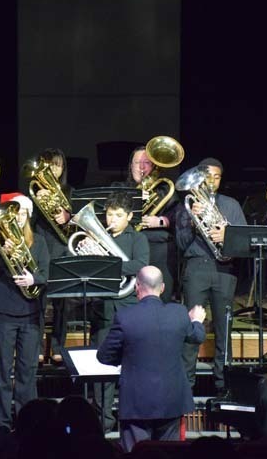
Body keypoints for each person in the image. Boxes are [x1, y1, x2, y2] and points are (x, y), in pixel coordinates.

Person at [97, 266, 206, 451]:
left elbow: (105, 356)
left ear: (137, 287)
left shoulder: (124, 317)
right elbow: (197, 336)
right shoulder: (179, 313)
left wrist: (127, 356)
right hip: (171, 401)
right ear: (162, 288)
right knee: (171, 458)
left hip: (136, 404)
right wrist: (196, 320)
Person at [175, 157, 246, 395]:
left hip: (224, 270)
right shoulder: (186, 206)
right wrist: (194, 224)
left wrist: (227, 237)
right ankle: (186, 384)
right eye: (208, 176)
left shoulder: (232, 204)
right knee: (191, 327)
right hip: (197, 268)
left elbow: (243, 242)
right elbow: (181, 244)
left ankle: (222, 384)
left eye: (217, 177)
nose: (212, 181)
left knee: (223, 329)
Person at [0, 193, 50, 430]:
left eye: (22, 213)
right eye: (15, 212)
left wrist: (34, 278)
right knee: (1, 371)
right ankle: (1, 422)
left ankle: (27, 422)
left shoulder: (39, 241)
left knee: (27, 371)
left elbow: (46, 275)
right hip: (4, 311)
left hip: (31, 313)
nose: (18, 218)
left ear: (29, 216)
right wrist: (4, 256)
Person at [89, 191, 150, 433]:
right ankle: (102, 421)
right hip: (103, 308)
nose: (112, 219)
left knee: (132, 368)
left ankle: (131, 420)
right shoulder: (96, 236)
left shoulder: (137, 239)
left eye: (118, 215)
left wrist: (112, 265)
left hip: (129, 308)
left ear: (130, 217)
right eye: (109, 214)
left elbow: (141, 265)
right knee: (101, 369)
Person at [30, 148, 73, 363]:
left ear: (63, 168)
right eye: (50, 164)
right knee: (39, 300)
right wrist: (38, 202)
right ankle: (37, 346)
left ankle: (58, 346)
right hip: (42, 248)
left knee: (62, 303)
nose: (53, 169)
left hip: (62, 248)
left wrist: (67, 215)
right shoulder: (35, 189)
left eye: (57, 164)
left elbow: (78, 222)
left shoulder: (70, 191)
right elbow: (29, 223)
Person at [123, 145, 178, 302]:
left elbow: (180, 216)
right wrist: (135, 199)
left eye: (146, 162)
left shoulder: (164, 189)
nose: (141, 167)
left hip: (158, 250)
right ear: (130, 166)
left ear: (153, 166)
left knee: (161, 299)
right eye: (136, 162)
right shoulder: (121, 189)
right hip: (129, 250)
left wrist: (161, 221)